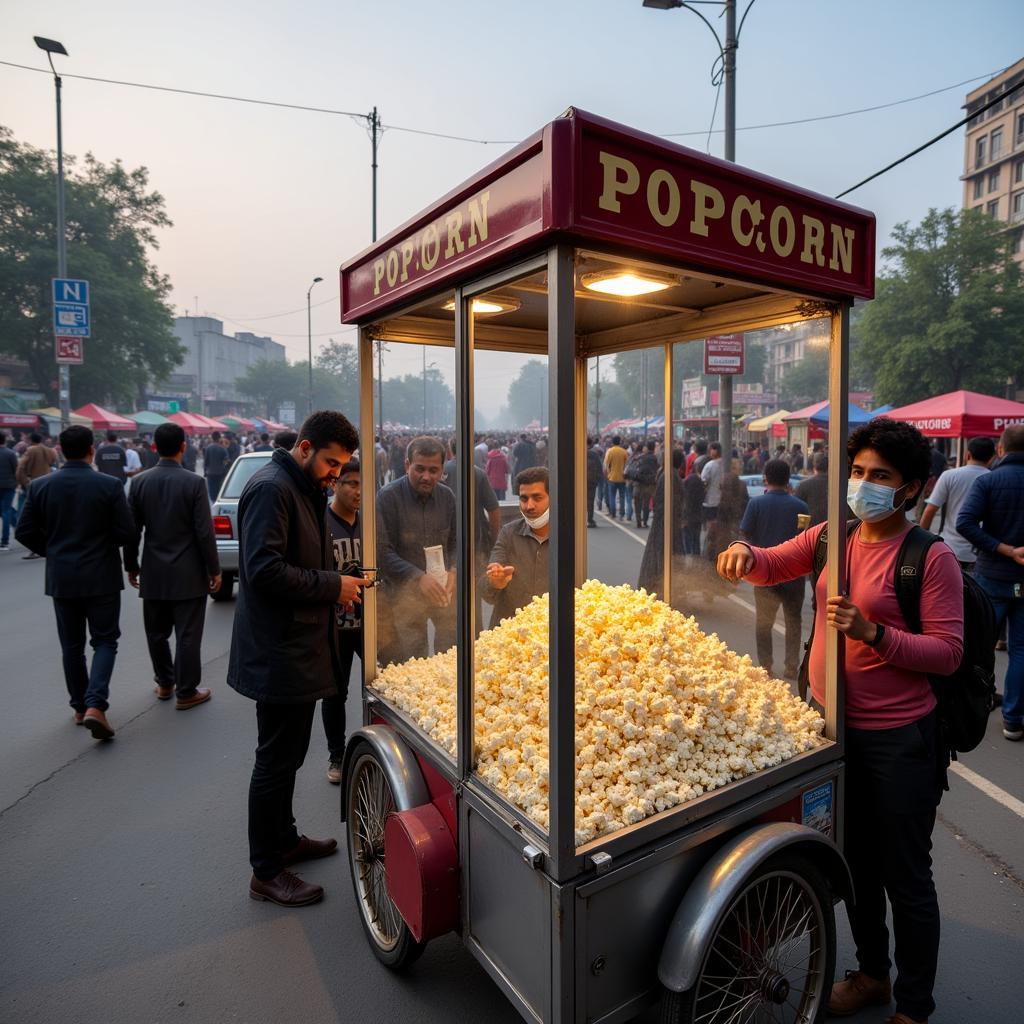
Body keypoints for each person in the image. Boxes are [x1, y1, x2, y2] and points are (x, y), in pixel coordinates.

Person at [718, 417, 963, 1024]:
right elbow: (774, 565)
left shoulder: (928, 559)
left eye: (880, 476)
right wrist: (745, 555)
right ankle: (872, 975)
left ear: (910, 489)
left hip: (900, 740)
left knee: (905, 873)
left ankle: (914, 1003)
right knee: (853, 864)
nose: (864, 484)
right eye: (858, 472)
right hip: (831, 732)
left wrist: (874, 633)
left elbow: (948, 653)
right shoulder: (835, 537)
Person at [228, 410, 365, 908]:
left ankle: (284, 839)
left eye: (341, 466)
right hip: (279, 651)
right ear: (304, 448)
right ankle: (266, 870)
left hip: (299, 647)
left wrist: (340, 582)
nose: (335, 474)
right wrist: (334, 586)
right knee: (275, 759)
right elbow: (263, 571)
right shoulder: (271, 489)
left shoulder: (301, 488)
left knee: (289, 756)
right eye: (331, 463)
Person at [15, 425, 135, 740]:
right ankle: (97, 704)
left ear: (60, 451)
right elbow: (126, 532)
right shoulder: (109, 485)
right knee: (105, 641)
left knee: (71, 646)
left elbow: (24, 532)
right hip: (102, 576)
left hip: (62, 576)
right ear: (91, 450)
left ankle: (80, 707)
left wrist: (53, 552)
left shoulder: (40, 486)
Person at [124, 422, 222, 710]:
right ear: (183, 447)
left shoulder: (140, 482)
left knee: (156, 632)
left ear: (154, 447)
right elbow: (205, 532)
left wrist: (131, 564)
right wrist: (214, 569)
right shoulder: (194, 483)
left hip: (153, 570)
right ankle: (186, 690)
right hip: (189, 572)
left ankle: (165, 682)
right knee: (188, 635)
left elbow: (132, 531)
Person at [957, 424, 1024, 742]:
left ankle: (972, 703)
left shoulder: (990, 481)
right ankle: (1013, 719)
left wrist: (1004, 549)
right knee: (1021, 651)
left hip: (992, 576)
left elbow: (964, 522)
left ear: (1001, 449)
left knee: (977, 644)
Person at [377, 436, 457, 662]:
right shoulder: (387, 497)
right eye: (419, 469)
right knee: (412, 660)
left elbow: (457, 541)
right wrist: (417, 577)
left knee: (450, 656)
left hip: (444, 592)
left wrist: (454, 569)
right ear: (406, 465)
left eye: (434, 470)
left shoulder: (447, 497)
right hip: (404, 596)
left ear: (443, 469)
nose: (426, 477)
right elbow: (381, 551)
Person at [739, 459, 809, 679]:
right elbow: (805, 539)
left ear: (765, 478)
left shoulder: (756, 504)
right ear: (789, 480)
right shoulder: (801, 507)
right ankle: (791, 665)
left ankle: (766, 665)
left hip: (764, 574)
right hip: (794, 574)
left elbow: (746, 536)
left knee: (764, 621)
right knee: (793, 621)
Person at [323, 459, 364, 785]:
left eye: (363, 484)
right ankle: (337, 755)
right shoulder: (322, 522)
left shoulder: (369, 524)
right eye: (351, 483)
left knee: (381, 685)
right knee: (335, 693)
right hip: (334, 626)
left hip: (368, 624)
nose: (357, 490)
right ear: (336, 483)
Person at [482, 467, 550, 622]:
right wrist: (495, 582)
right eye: (524, 498)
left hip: (552, 632)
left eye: (537, 498)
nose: (529, 506)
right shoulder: (508, 533)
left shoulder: (567, 536)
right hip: (509, 630)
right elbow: (486, 588)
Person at [920, 436, 995, 571]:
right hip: (983, 552)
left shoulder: (950, 476)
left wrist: (921, 541)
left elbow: (930, 510)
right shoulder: (994, 479)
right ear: (993, 457)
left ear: (967, 454)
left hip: (950, 549)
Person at [638, 449, 686, 599]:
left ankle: (658, 586)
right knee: (667, 554)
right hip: (668, 521)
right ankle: (664, 587)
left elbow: (661, 500)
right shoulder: (671, 475)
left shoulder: (666, 475)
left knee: (660, 554)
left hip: (664, 521)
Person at [16, 432, 58, 558]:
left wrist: (24, 482)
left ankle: (36, 548)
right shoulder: (50, 451)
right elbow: (53, 463)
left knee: (31, 515)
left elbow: (20, 468)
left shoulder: (30, 450)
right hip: (49, 484)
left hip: (33, 484)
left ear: (31, 440)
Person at [795, 452, 829, 527]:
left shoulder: (803, 485)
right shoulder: (838, 485)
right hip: (832, 529)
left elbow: (797, 511)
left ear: (814, 466)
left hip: (810, 529)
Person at [632, 440, 659, 528]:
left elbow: (634, 467)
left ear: (646, 448)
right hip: (650, 483)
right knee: (646, 503)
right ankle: (645, 521)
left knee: (637, 502)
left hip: (639, 482)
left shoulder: (640, 457)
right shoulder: (656, 458)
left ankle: (638, 521)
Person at [604, 435, 629, 520]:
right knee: (622, 497)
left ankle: (613, 513)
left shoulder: (610, 451)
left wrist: (607, 474)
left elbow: (606, 464)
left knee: (612, 496)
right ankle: (621, 514)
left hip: (612, 477)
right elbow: (627, 465)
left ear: (612, 442)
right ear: (620, 442)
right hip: (622, 477)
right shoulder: (624, 452)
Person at [0, 431, 17, 551]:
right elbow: (16, 469)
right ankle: (5, 541)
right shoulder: (11, 453)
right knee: (6, 510)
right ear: (5, 440)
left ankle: (18, 527)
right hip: (9, 486)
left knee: (5, 511)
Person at [203, 430, 229, 501]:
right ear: (219, 438)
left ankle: (213, 502)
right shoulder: (222, 449)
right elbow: (227, 461)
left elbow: (206, 461)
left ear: (212, 438)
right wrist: (224, 467)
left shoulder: (208, 448)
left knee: (212, 491)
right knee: (219, 489)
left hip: (210, 473)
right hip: (220, 473)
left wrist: (205, 471)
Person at [586, 439, 603, 528]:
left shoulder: (577, 453)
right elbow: (600, 468)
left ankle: (579, 519)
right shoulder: (594, 455)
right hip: (592, 482)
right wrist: (597, 480)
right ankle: (590, 519)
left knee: (578, 501)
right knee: (590, 501)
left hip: (580, 482)